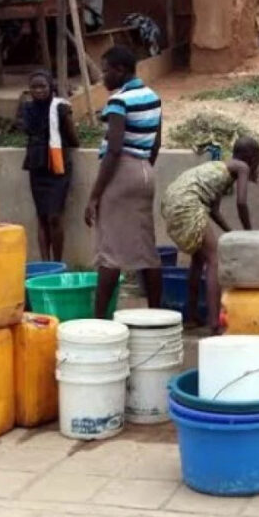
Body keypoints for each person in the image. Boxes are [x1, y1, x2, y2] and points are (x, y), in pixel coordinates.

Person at [84, 45, 162, 318]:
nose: (102, 77)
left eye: (105, 71)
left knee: (110, 252)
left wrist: (95, 195)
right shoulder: (152, 96)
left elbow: (114, 149)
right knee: (145, 249)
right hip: (144, 171)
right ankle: (157, 314)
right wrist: (142, 170)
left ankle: (98, 320)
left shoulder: (119, 100)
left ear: (120, 70)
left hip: (121, 172)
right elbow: (156, 143)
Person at [161, 137, 259, 331]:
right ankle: (215, 322)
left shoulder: (219, 167)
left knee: (199, 259)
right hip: (188, 203)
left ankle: (191, 316)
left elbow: (214, 211)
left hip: (172, 200)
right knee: (214, 258)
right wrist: (249, 232)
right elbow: (241, 202)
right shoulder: (242, 167)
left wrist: (232, 233)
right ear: (251, 157)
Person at [17, 71, 79, 262]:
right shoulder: (26, 109)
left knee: (54, 216)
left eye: (42, 86)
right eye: (34, 87)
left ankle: (58, 262)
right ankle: (46, 263)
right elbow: (21, 127)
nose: (38, 91)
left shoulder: (60, 108)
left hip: (57, 166)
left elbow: (73, 139)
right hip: (37, 165)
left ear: (51, 86)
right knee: (42, 217)